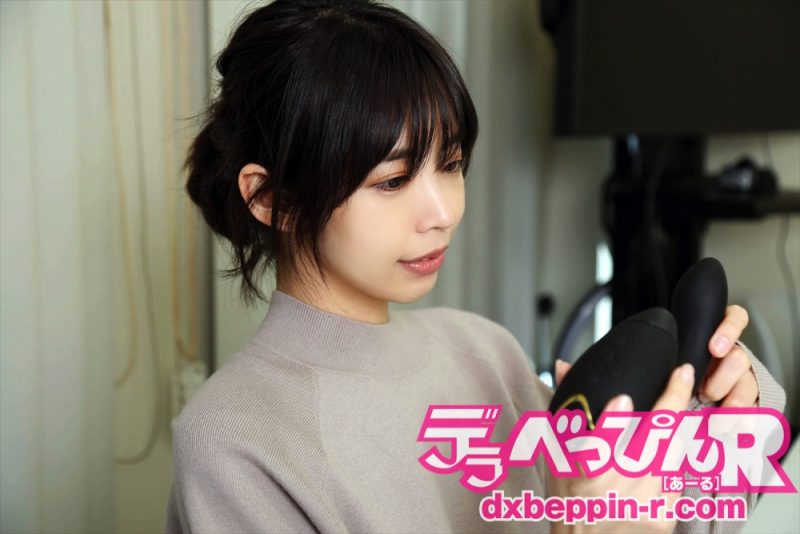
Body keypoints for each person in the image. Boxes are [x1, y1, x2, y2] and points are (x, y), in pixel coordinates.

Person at [164, 1, 786, 532]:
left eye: (452, 164)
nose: (443, 213)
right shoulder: (234, 439)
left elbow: (701, 516)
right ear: (271, 199)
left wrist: (727, 408)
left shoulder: (483, 354)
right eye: (393, 181)